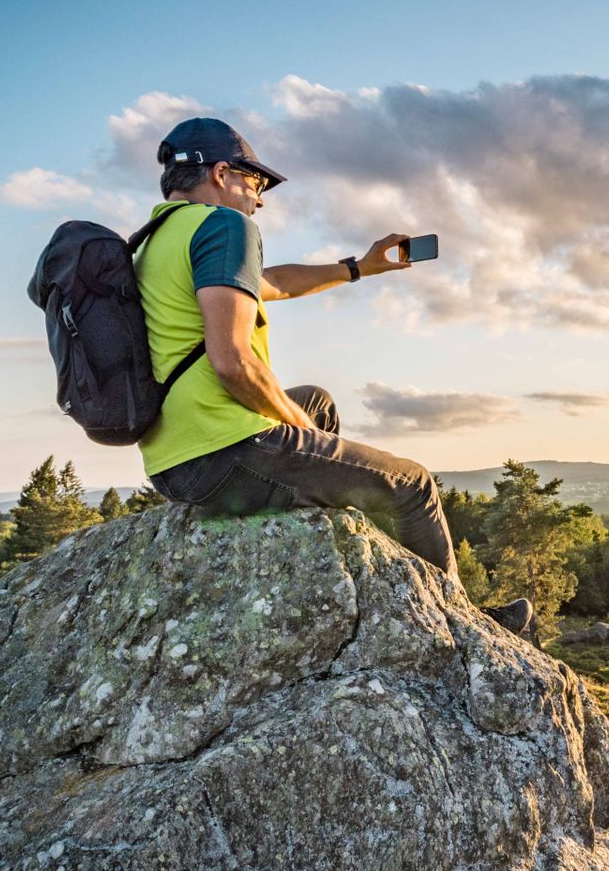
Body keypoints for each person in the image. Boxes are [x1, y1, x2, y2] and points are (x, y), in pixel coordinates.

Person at [135, 117, 533, 636]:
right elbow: (231, 361)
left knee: (318, 401)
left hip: (174, 461)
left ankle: (368, 568)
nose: (259, 201)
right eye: (255, 184)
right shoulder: (224, 227)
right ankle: (462, 628)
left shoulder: (156, 239)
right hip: (223, 453)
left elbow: (271, 281)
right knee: (410, 485)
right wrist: (293, 422)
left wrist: (359, 267)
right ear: (222, 173)